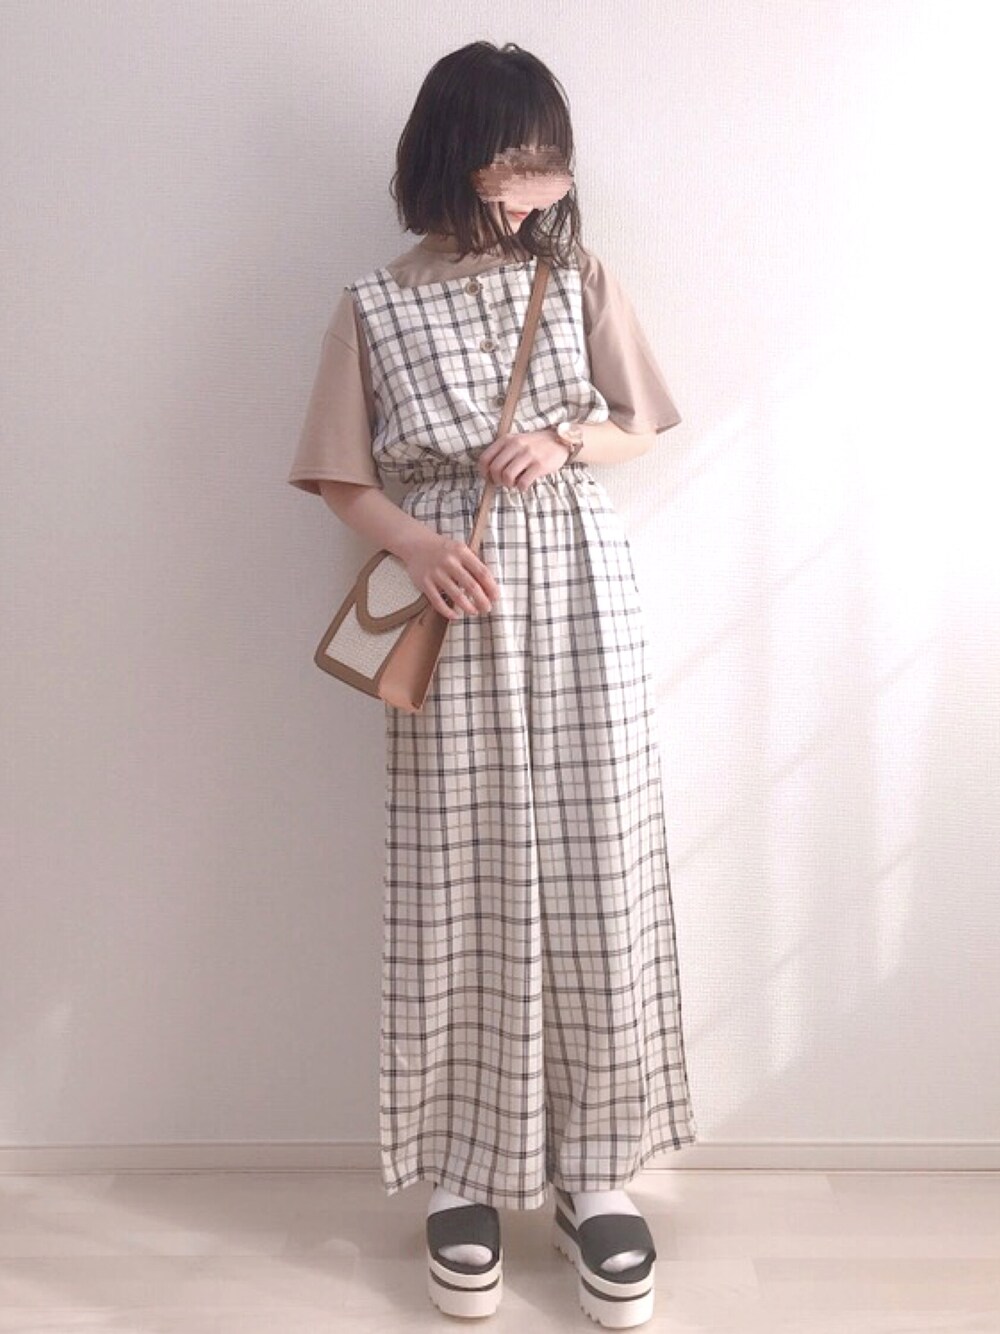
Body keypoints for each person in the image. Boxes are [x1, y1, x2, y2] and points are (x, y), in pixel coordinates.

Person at [287, 40, 697, 1329]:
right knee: (456, 876)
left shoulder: (576, 277)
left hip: (579, 592)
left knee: (598, 866)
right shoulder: (373, 304)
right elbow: (340, 474)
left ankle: (597, 1171)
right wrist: (413, 543)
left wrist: (565, 436)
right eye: (514, 161)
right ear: (453, 156)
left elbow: (642, 422)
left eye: (548, 164)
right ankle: (462, 1171)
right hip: (449, 606)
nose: (534, 188)